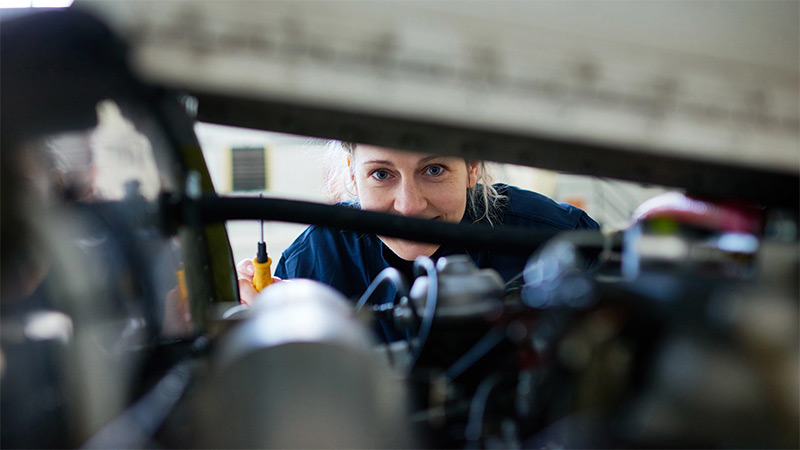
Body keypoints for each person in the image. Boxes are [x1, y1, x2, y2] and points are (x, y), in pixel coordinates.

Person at [236, 142, 599, 306]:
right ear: (352, 173)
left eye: (434, 170)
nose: (409, 207)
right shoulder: (311, 263)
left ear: (472, 167)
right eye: (381, 173)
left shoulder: (555, 238)